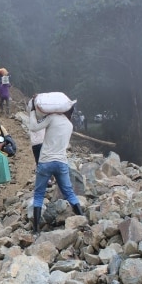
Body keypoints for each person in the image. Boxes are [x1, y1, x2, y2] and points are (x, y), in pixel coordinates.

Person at [28, 96, 83, 234]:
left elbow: (34, 127)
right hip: (61, 163)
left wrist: (33, 111)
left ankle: (36, 230)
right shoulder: (70, 126)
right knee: (69, 192)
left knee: (39, 194)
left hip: (46, 162)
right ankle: (82, 219)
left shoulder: (52, 118)